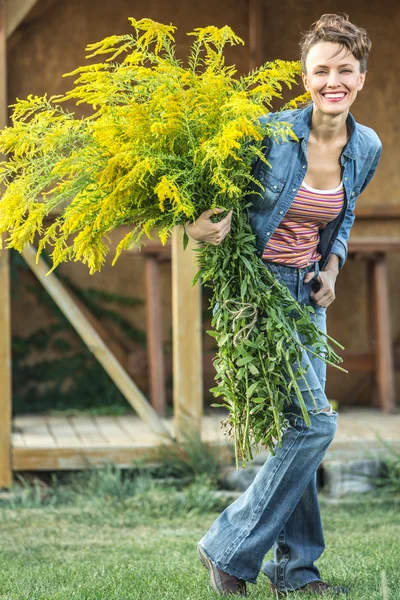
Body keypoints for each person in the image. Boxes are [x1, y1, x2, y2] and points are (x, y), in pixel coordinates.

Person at [185, 13, 382, 597]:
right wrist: (194, 225)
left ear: (361, 76)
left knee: (301, 426)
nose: (333, 81)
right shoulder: (270, 133)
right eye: (321, 70)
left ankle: (296, 572)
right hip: (257, 290)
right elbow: (205, 194)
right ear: (305, 77)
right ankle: (226, 546)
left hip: (307, 295)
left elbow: (341, 217)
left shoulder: (365, 145)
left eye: (344, 69)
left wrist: (333, 267)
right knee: (316, 424)